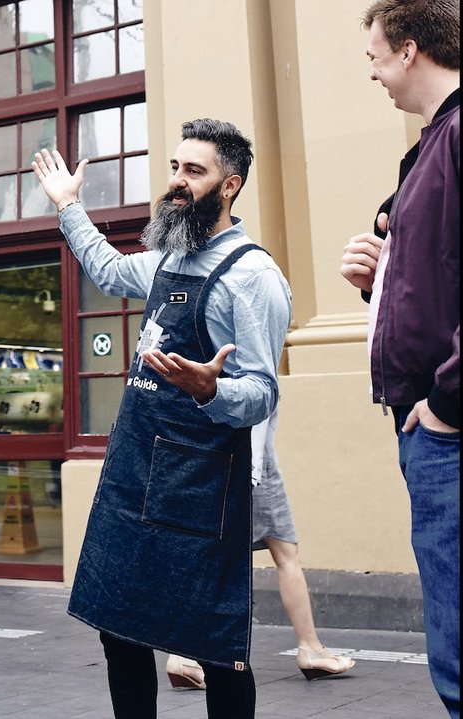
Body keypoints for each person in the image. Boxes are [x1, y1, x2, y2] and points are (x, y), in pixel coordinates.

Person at [32, 118, 292, 719]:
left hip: (199, 490)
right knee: (118, 632)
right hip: (133, 477)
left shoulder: (253, 277)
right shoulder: (169, 257)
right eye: (175, 168)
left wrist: (210, 390)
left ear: (230, 186)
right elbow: (108, 270)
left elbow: (261, 393)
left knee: (217, 648)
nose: (176, 182)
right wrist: (70, 206)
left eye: (193, 172)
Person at [338, 1, 459, 715]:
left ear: (410, 50)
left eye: (376, 57)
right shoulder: (429, 147)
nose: (375, 75)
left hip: (447, 430)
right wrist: (376, 277)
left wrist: (445, 406)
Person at [166, 407, 355, 690]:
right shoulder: (256, 359)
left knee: (208, 554)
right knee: (285, 553)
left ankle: (183, 655)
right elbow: (256, 409)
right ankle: (311, 649)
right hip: (253, 464)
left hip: (217, 457)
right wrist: (251, 471)